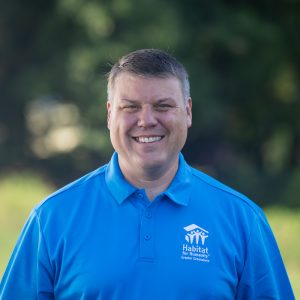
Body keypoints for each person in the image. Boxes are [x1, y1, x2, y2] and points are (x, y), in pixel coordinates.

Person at [0, 49, 295, 299]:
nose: (146, 120)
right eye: (130, 107)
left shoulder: (242, 220)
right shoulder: (52, 218)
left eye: (163, 106)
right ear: (109, 114)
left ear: (188, 112)